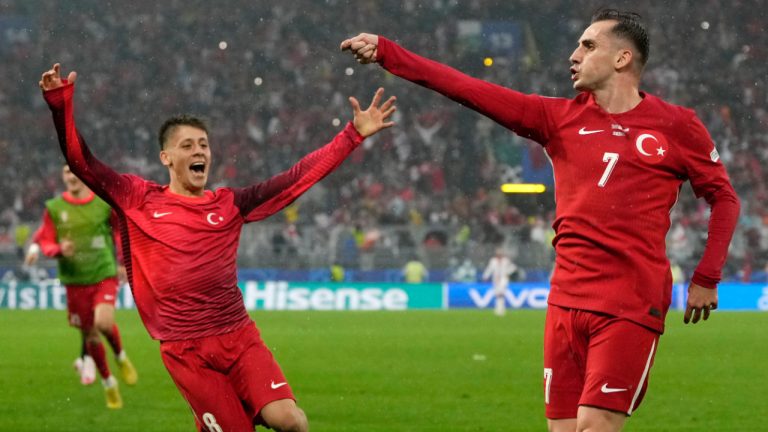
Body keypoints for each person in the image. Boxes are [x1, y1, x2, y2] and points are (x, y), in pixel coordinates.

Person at [341, 8, 740, 432]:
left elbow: (724, 198)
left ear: (623, 58)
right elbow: (466, 88)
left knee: (594, 425)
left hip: (631, 303)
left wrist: (707, 277)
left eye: (587, 46)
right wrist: (388, 53)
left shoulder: (676, 125)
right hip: (565, 301)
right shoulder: (558, 118)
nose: (573, 55)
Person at [40, 63, 396, 432]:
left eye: (205, 145)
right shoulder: (136, 197)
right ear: (166, 158)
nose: (200, 152)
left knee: (292, 422)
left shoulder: (230, 204)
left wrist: (352, 134)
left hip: (239, 336)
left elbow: (295, 180)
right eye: (188, 145)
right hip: (186, 351)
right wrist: (60, 104)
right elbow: (82, 162)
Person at [24, 165, 138, 409]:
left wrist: (122, 261)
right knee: (90, 335)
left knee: (104, 323)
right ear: (63, 177)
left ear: (84, 175)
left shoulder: (102, 204)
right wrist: (57, 251)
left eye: (74, 171)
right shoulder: (54, 208)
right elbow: (46, 240)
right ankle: (109, 383)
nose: (71, 176)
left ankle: (121, 356)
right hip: (74, 280)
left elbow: (119, 233)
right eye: (66, 172)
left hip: (102, 273)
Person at [482, 247, 518, 316]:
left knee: (501, 293)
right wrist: (485, 276)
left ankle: (501, 309)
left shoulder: (506, 260)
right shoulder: (493, 261)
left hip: (503, 279)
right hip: (495, 279)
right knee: (497, 294)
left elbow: (513, 268)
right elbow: (489, 269)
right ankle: (498, 309)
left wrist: (507, 273)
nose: (499, 255)